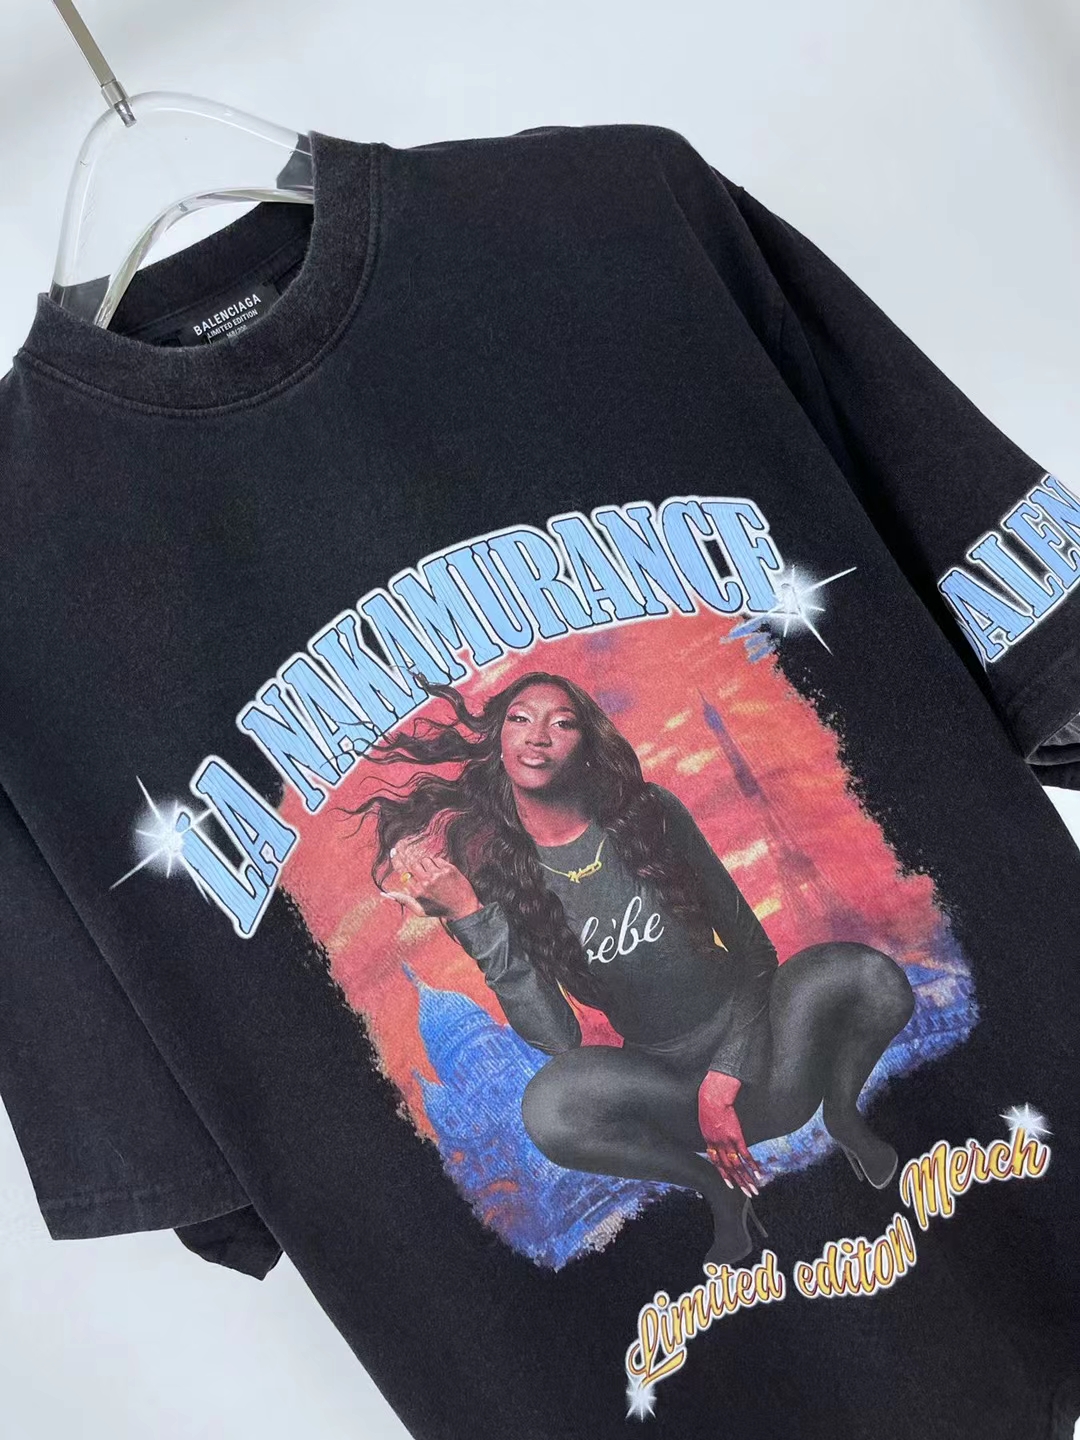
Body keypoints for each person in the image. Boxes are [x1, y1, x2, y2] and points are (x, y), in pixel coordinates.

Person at [346, 671, 915, 1266]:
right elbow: (558, 1039)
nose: (538, 735)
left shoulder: (650, 814)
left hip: (772, 1061)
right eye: (520, 718)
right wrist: (469, 914)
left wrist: (725, 1078)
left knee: (872, 976)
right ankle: (715, 1188)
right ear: (499, 741)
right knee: (548, 1106)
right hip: (670, 1095)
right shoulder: (501, 875)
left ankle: (842, 1112)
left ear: (586, 743)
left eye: (562, 723)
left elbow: (755, 953)